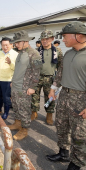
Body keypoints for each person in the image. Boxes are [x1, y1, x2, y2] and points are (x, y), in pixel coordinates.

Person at [46, 21, 86, 170]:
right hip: (64, 96)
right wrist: (53, 89)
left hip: (81, 99)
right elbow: (60, 74)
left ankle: (77, 163)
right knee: (62, 126)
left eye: (65, 36)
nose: (63, 40)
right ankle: (63, 152)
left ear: (79, 36)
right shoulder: (68, 53)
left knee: (79, 135)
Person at [8, 30, 42, 140]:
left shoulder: (34, 54)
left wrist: (32, 87)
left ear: (24, 41)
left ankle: (24, 129)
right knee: (16, 107)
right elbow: (18, 69)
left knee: (24, 109)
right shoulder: (20, 53)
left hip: (25, 87)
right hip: (16, 86)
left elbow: (37, 72)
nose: (15, 45)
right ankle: (17, 123)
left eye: (17, 42)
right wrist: (13, 81)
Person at [31, 30, 63, 125]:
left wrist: (58, 82)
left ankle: (49, 115)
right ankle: (34, 113)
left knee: (50, 98)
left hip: (50, 78)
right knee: (34, 96)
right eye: (43, 39)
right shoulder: (37, 51)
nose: (44, 41)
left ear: (52, 39)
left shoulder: (57, 52)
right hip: (37, 77)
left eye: (47, 39)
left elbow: (61, 67)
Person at [0, 37, 18, 120]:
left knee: (6, 98)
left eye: (6, 45)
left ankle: (6, 112)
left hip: (7, 80)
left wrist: (11, 63)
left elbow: (17, 68)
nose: (5, 47)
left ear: (11, 44)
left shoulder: (15, 54)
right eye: (3, 45)